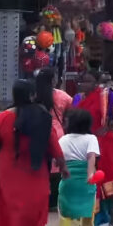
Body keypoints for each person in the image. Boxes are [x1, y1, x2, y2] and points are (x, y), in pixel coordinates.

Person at [0, 79, 66, 226]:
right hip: (36, 171)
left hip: (9, 169)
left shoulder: (3, 117)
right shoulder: (42, 116)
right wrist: (64, 167)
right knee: (30, 211)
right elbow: (53, 145)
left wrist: (1, 145)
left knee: (14, 210)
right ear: (32, 95)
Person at [73, 70, 113, 226]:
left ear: (95, 82)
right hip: (84, 140)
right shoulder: (78, 98)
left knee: (100, 177)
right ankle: (104, 212)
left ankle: (98, 217)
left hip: (103, 141)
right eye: (82, 81)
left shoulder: (106, 96)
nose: (84, 84)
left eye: (88, 81)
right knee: (87, 177)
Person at [55, 109, 101, 226]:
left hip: (67, 180)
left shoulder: (63, 139)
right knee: (88, 217)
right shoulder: (91, 138)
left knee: (65, 216)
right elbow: (91, 158)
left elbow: (58, 161)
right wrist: (89, 176)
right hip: (85, 181)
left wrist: (64, 171)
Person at [35, 68, 71, 210]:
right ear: (53, 80)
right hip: (57, 132)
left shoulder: (33, 95)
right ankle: (53, 201)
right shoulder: (62, 96)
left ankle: (40, 199)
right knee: (56, 167)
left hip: (36, 132)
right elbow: (71, 111)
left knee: (40, 166)